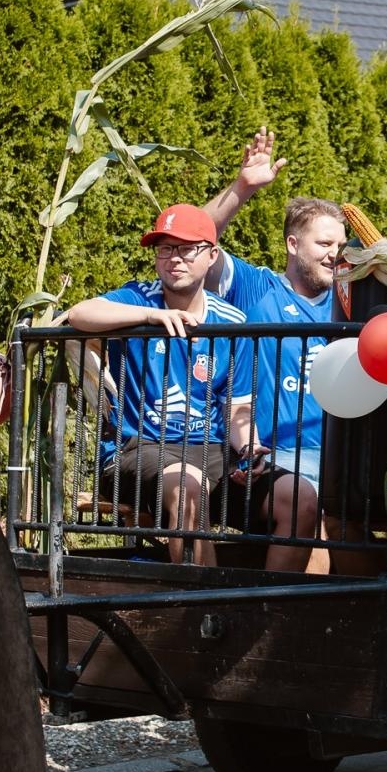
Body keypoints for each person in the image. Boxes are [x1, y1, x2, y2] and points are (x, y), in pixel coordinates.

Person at [67, 204, 257, 567]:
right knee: (187, 489)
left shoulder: (233, 321)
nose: (174, 258)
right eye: (165, 248)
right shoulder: (138, 298)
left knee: (297, 500)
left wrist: (249, 448)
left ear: (212, 255)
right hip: (139, 448)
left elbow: (237, 409)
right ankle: (201, 612)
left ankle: (276, 617)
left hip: (213, 451)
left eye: (186, 248)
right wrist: (152, 316)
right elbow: (80, 314)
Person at [200, 127, 340, 571]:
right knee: (310, 503)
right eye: (324, 244)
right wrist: (242, 188)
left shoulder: (354, 298)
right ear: (293, 245)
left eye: (341, 245)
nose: (335, 254)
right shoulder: (257, 287)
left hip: (341, 460)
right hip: (269, 459)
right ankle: (276, 620)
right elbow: (196, 241)